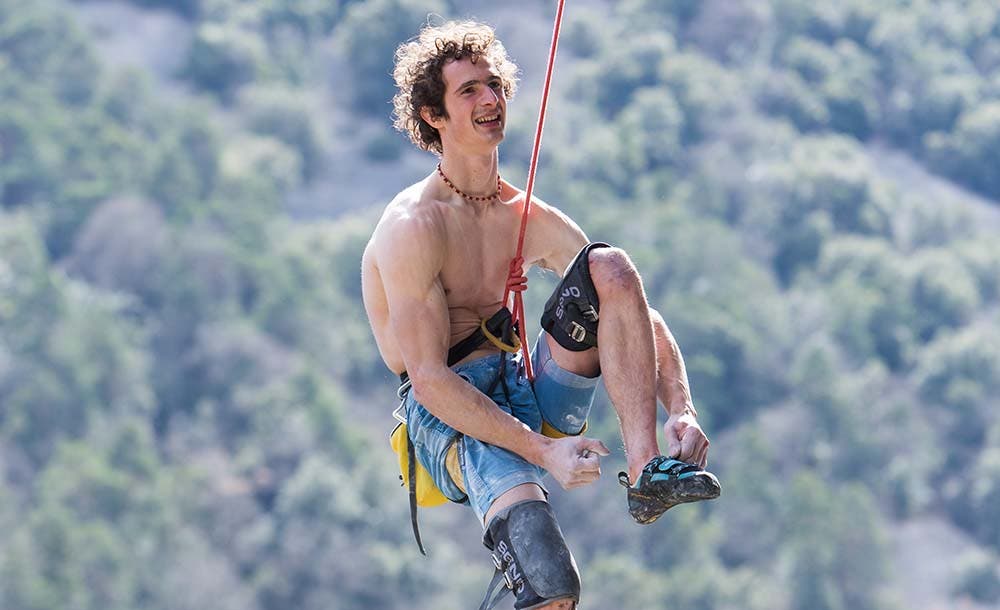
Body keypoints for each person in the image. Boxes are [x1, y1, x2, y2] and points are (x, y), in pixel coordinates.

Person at [361, 20, 720, 610]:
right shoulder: (414, 226)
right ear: (433, 116)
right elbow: (427, 380)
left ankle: (646, 468)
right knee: (550, 583)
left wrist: (680, 406)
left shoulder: (522, 214)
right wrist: (542, 450)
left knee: (610, 269)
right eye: (468, 91)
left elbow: (635, 316)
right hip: (453, 414)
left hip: (525, 386)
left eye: (493, 85)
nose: (489, 100)